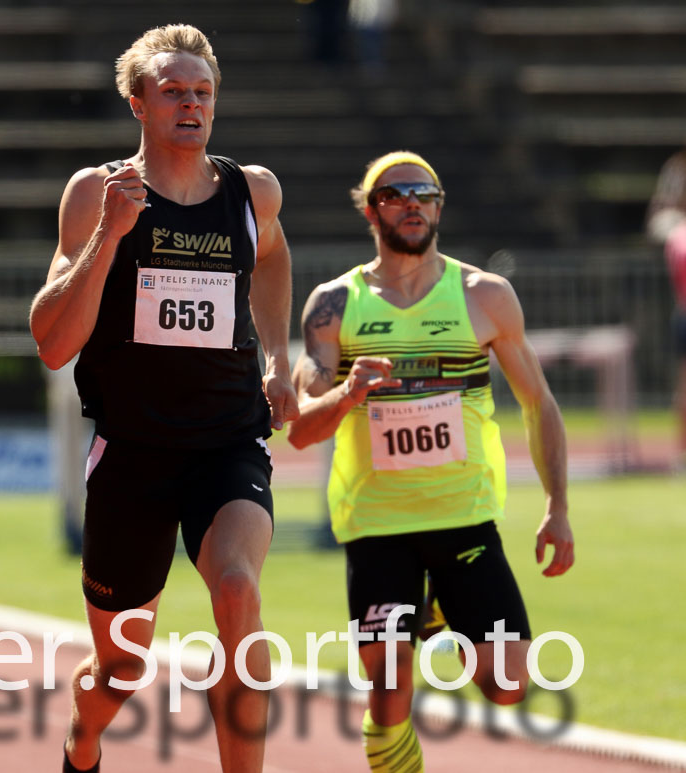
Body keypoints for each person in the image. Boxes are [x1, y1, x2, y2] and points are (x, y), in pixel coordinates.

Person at [29, 25, 297, 773]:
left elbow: (273, 255)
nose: (191, 104)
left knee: (238, 593)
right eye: (173, 91)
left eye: (202, 92)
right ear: (137, 103)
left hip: (226, 440)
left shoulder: (253, 191)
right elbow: (51, 341)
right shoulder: (97, 192)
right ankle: (81, 742)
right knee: (118, 671)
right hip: (133, 452)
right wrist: (108, 237)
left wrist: (277, 356)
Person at [286, 150, 574, 772]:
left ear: (440, 206)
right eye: (395, 195)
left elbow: (539, 404)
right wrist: (350, 391)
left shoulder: (485, 296)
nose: (411, 203)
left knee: (507, 685)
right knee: (389, 692)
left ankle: (436, 606)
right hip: (376, 524)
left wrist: (558, 506)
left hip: (463, 516)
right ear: (371, 210)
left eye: (425, 193)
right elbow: (302, 432)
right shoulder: (334, 305)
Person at [647, 146, 686, 469]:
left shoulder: (675, 232)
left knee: (683, 387)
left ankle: (682, 451)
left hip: (682, 312)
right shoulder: (678, 233)